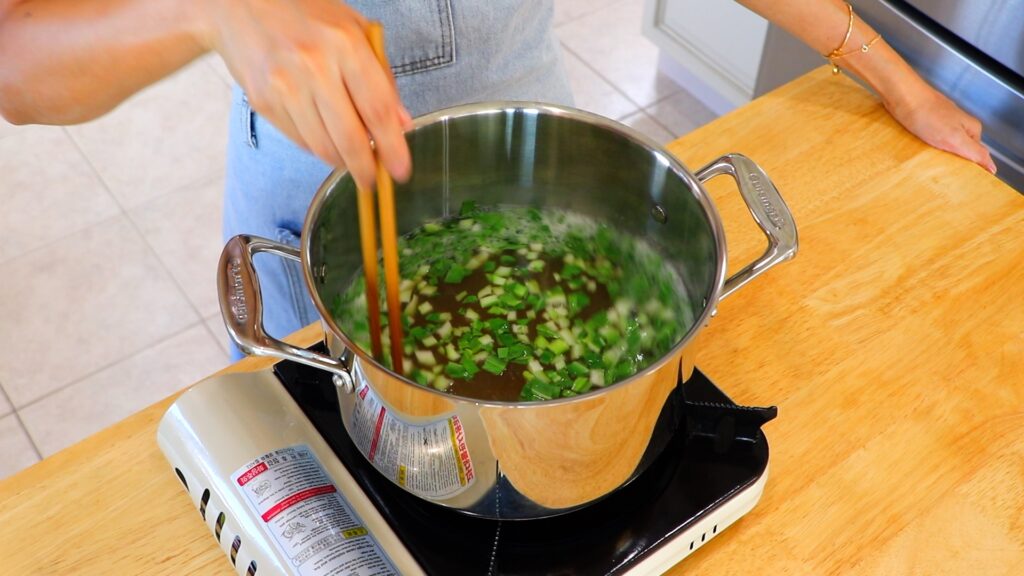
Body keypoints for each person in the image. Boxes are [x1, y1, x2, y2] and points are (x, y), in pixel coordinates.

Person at [0, 0, 996, 352]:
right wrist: (208, 7)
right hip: (310, 207)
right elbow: (20, 61)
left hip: (541, 164)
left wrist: (890, 75)